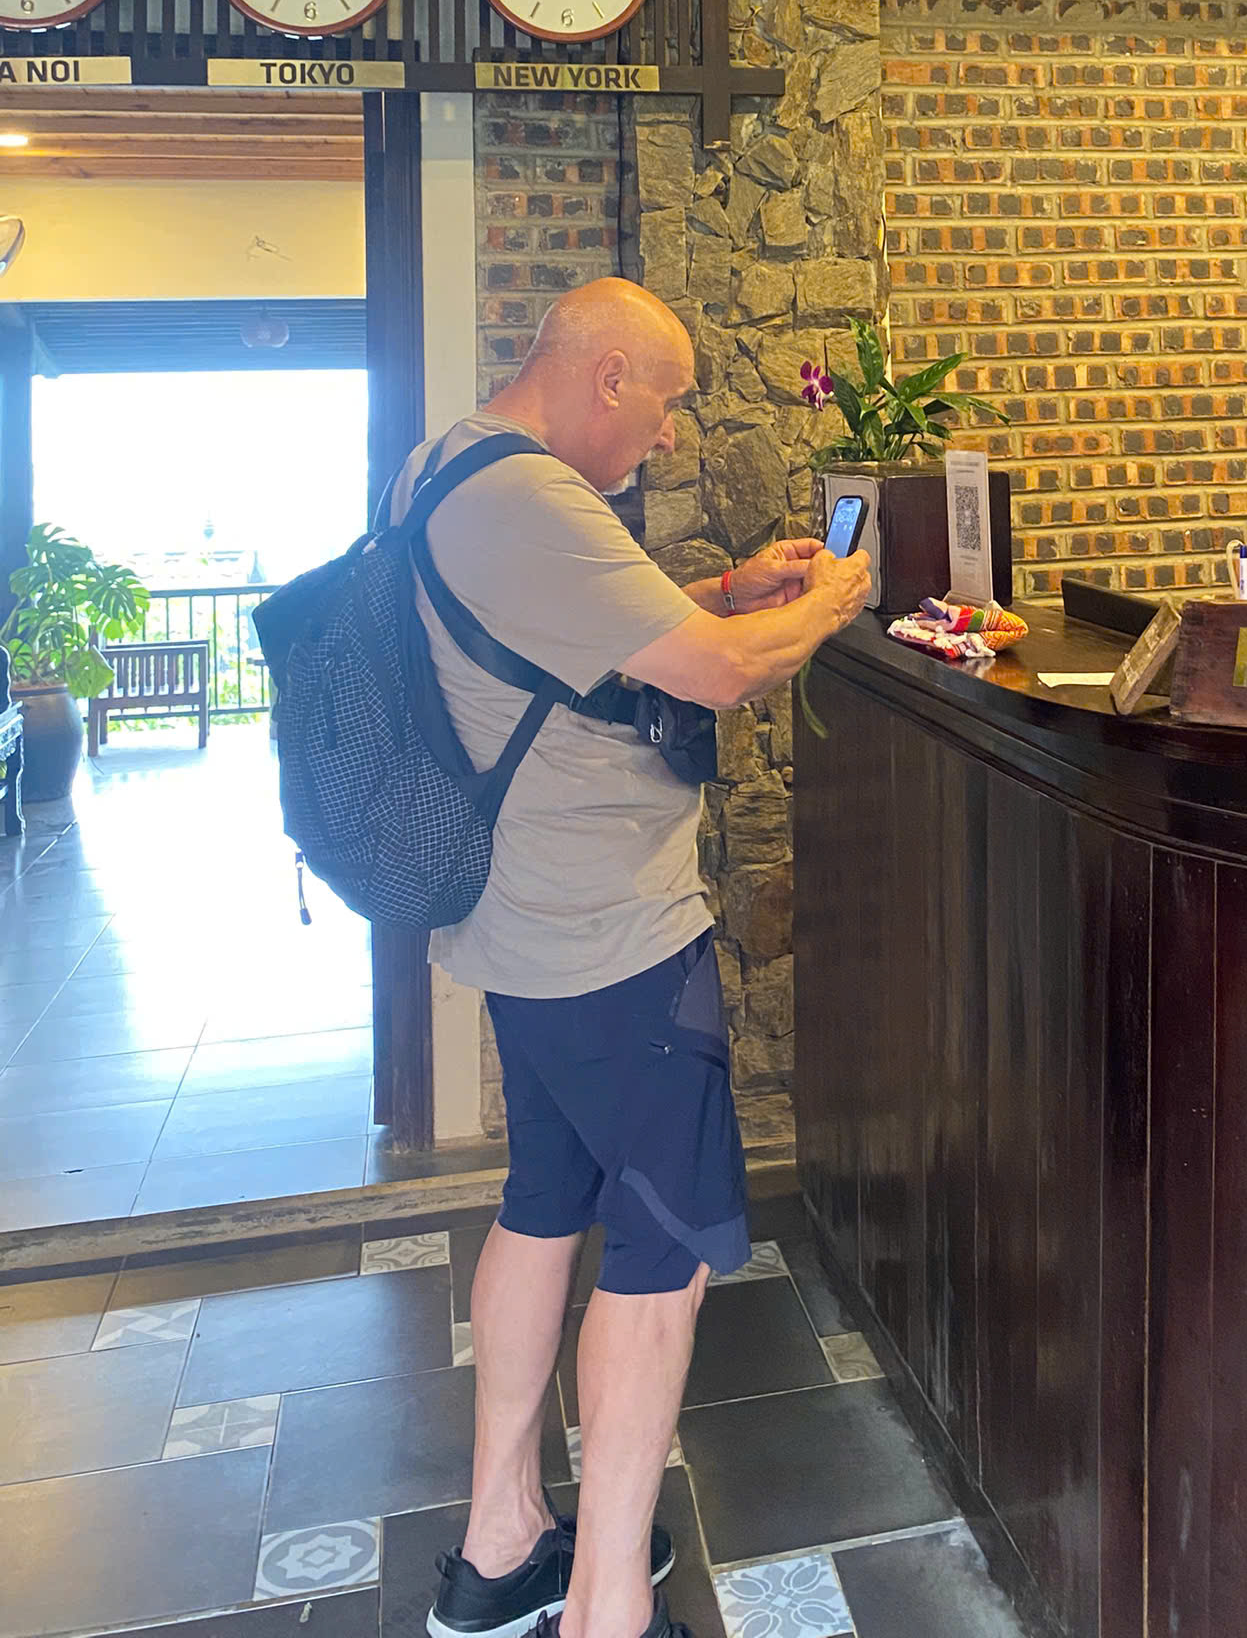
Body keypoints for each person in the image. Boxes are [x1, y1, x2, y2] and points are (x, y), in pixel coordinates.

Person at [396, 278, 872, 1638]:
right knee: (664, 1246)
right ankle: (606, 1607)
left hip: (523, 922)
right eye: (664, 404)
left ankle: (501, 1546)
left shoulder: (448, 466)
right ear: (607, 375)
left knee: (545, 1199)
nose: (668, 434)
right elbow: (719, 673)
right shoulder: (530, 496)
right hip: (607, 934)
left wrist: (727, 592)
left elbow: (575, 643)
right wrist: (831, 598)